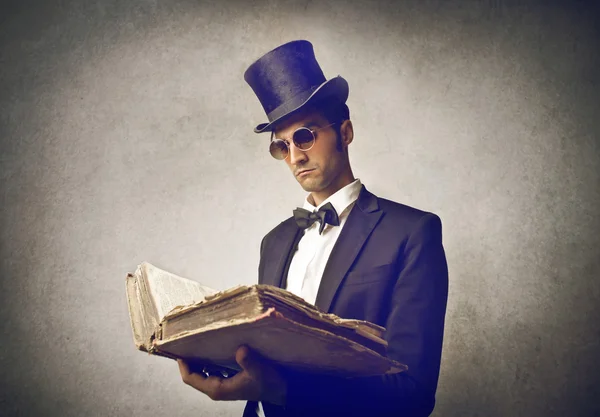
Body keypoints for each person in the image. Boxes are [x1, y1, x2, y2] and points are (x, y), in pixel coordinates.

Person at [177, 40, 449, 417]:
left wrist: (283, 389)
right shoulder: (274, 242)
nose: (295, 156)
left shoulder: (412, 233)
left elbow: (412, 393)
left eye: (305, 136)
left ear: (345, 132)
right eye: (281, 146)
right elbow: (267, 357)